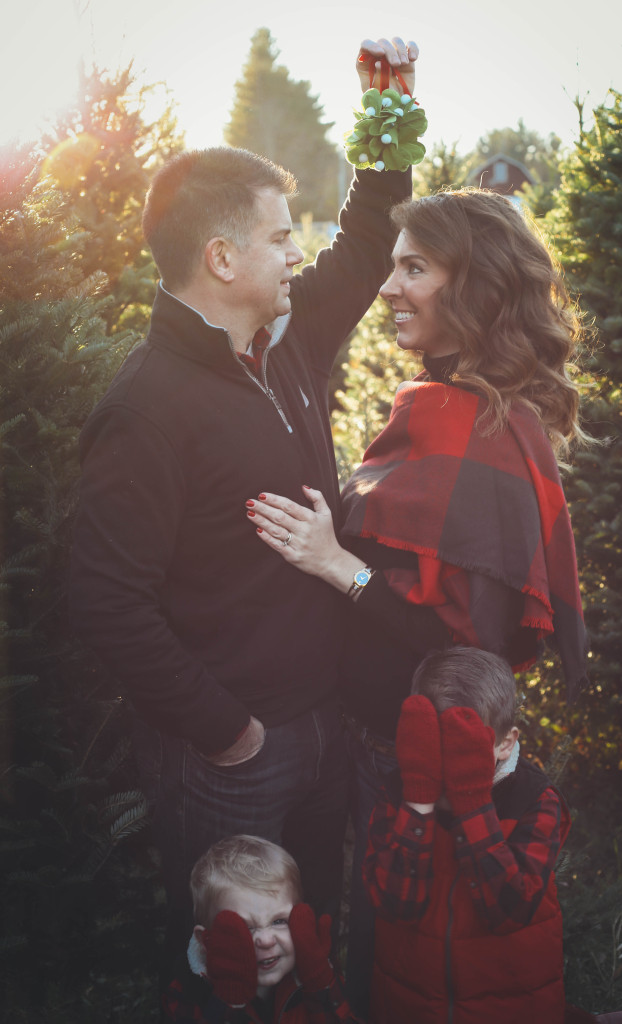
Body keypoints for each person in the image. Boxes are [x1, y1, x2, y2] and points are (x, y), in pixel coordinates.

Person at [68, 36, 418, 974]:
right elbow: (104, 600)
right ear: (221, 257)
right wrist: (229, 733)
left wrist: (387, 110)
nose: (297, 254)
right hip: (231, 760)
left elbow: (369, 237)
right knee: (231, 976)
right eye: (277, 237)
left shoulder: (287, 343)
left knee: (307, 956)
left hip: (321, 730)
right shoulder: (146, 411)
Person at [247, 186, 589, 1011]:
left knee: (393, 950)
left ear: (471, 286)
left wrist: (338, 565)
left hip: (410, 750)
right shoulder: (438, 404)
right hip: (382, 735)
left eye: (414, 269)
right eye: (392, 267)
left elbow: (461, 642)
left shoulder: (476, 423)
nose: (389, 289)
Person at [363, 645, 570, 1023]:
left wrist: (473, 805)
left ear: (505, 744)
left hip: (513, 1006)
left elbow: (510, 910)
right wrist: (420, 801)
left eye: (466, 748)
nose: (446, 762)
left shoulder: (534, 800)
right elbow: (395, 904)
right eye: (434, 746)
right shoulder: (398, 794)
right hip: (410, 1002)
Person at [163, 834, 361, 1023]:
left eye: (279, 921)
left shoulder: (315, 969)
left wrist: (319, 984)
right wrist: (229, 1002)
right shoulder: (189, 987)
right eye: (245, 928)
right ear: (207, 940)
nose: (266, 940)